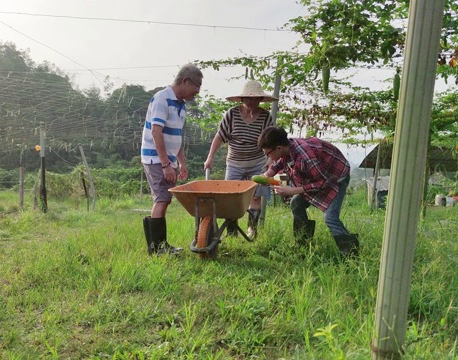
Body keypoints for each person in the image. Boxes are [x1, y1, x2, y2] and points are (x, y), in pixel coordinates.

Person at [258, 126, 359, 259]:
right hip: (318, 176)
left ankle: (351, 255)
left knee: (330, 218)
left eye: (267, 153)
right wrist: (267, 175)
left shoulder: (306, 157)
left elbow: (322, 183)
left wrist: (292, 190)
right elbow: (279, 162)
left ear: (278, 148)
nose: (267, 157)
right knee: (296, 204)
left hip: (335, 178)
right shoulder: (287, 147)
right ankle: (302, 244)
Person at [140, 63, 203, 255]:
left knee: (164, 199)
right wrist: (166, 164)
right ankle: (157, 248)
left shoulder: (181, 105)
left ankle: (158, 245)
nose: (198, 92)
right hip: (156, 159)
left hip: (168, 160)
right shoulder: (162, 99)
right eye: (197, 86)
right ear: (185, 81)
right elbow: (156, 132)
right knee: (162, 199)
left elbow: (175, 137)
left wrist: (181, 162)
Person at [203, 80, 277, 238]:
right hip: (235, 162)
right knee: (231, 197)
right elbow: (220, 137)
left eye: (256, 99)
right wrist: (210, 157)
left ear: (261, 100)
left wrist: (270, 159)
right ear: (242, 99)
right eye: (249, 98)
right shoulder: (231, 114)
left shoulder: (265, 117)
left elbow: (272, 140)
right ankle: (231, 231)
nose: (253, 102)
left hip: (257, 162)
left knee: (256, 196)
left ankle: (252, 229)